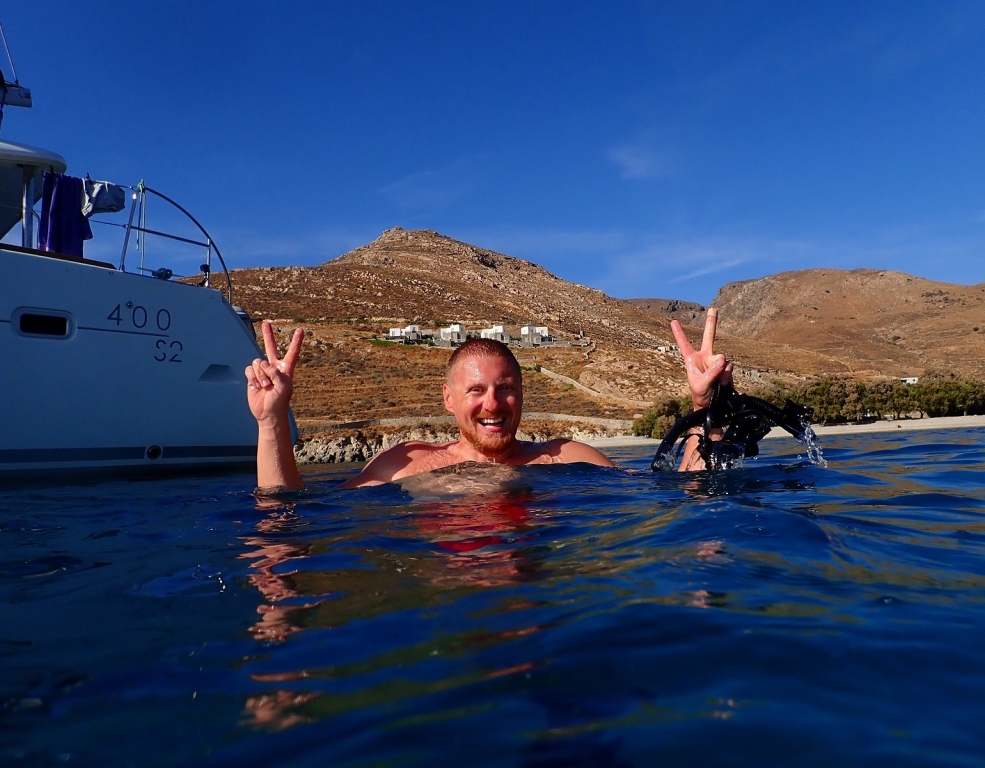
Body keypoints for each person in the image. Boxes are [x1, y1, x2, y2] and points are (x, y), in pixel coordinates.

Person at [245, 309, 733, 488]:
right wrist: (272, 422)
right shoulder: (407, 464)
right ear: (449, 399)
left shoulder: (568, 458)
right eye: (476, 390)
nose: (493, 404)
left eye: (505, 389)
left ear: (521, 395)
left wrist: (705, 405)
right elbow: (288, 515)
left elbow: (683, 492)